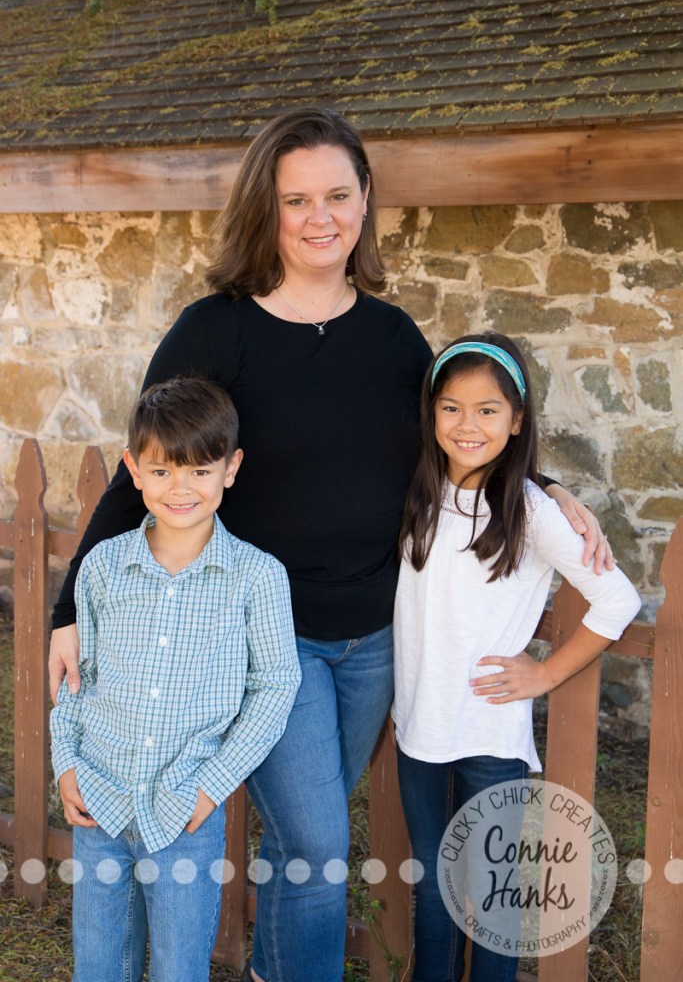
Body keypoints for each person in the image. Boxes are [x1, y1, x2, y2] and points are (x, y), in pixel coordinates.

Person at [49, 107, 612, 982]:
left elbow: (460, 443)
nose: (321, 217)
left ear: (364, 200)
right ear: (265, 210)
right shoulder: (215, 330)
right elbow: (146, 470)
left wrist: (548, 488)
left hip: (375, 638)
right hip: (270, 635)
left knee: (300, 839)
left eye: (338, 196)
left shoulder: (391, 339)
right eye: (296, 199)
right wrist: (67, 609)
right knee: (315, 842)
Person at [393, 332, 641, 982]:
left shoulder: (529, 510)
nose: (466, 425)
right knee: (435, 886)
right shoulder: (418, 490)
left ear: (517, 420)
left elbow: (616, 598)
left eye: (486, 410)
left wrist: (546, 673)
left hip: (488, 734)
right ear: (430, 413)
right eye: (450, 408)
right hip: (419, 729)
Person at [50, 377, 301, 982]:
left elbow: (275, 686)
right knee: (99, 962)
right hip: (100, 797)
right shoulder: (103, 567)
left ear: (230, 469)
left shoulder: (257, 577)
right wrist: (65, 763)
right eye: (162, 471)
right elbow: (79, 677)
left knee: (178, 967)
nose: (180, 488)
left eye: (199, 471)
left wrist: (212, 786)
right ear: (134, 469)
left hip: (184, 809)